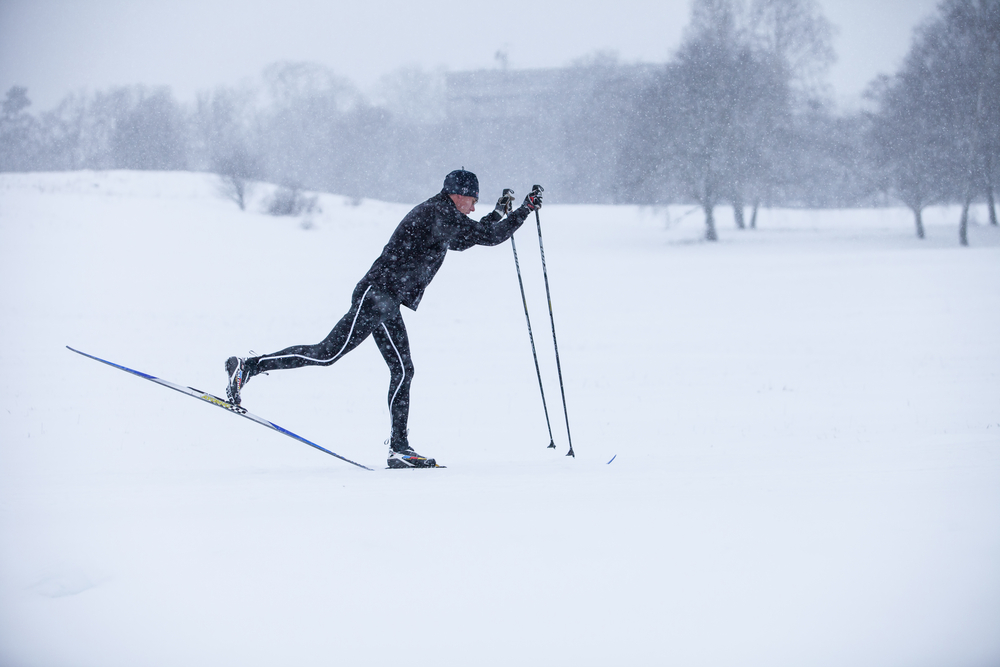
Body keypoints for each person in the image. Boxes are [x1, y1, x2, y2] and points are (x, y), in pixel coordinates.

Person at [225, 169, 543, 468]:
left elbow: (468, 238)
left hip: (385, 300)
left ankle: (399, 449)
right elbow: (485, 236)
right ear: (458, 195)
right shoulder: (438, 213)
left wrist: (502, 213)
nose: (474, 206)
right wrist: (525, 210)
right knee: (328, 353)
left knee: (402, 369)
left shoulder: (443, 214)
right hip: (377, 297)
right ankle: (249, 366)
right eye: (473, 199)